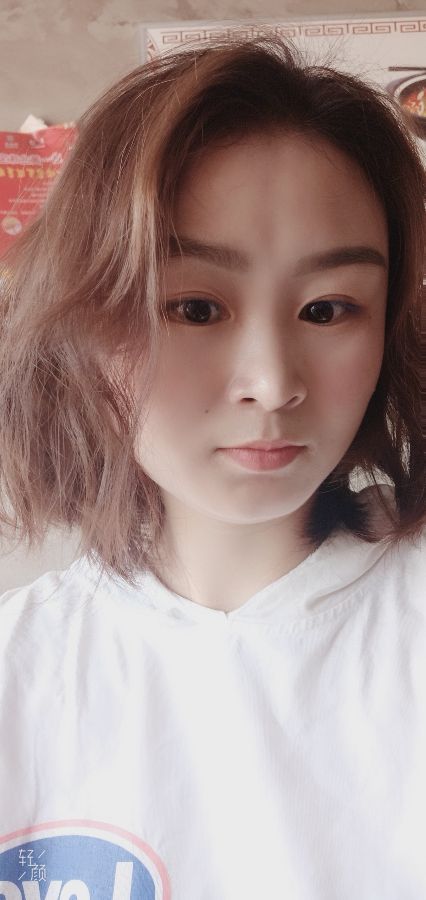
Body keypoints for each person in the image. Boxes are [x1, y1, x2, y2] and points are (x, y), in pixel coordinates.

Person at [0, 32, 424, 898]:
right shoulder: (20, 669)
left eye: (328, 309)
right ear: (82, 321)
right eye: (194, 307)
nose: (271, 383)